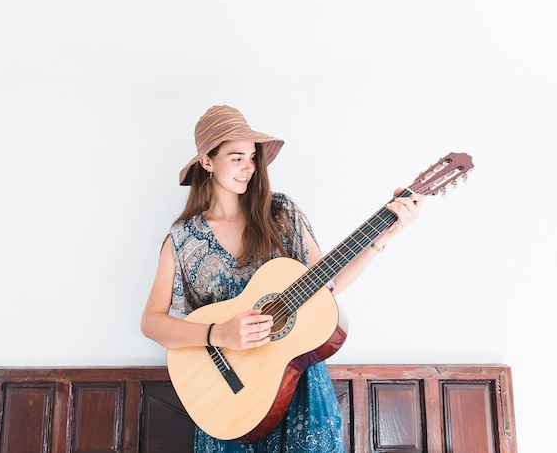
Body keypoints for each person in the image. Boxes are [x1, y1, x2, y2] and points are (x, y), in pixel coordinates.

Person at [141, 105, 424, 453]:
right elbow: (152, 323)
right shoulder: (183, 238)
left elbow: (329, 285)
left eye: (252, 158)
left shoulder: (281, 214)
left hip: (299, 392)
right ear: (207, 162)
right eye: (236, 157)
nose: (249, 168)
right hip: (229, 403)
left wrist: (384, 236)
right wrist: (219, 333)